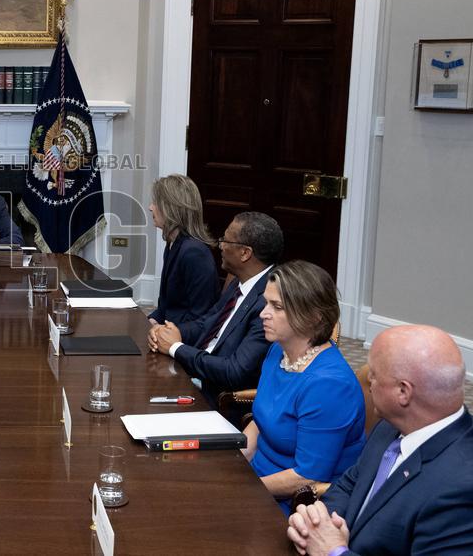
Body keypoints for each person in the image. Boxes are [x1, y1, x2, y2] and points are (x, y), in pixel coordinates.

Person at [288, 325, 473, 555]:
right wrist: (316, 524)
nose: (369, 383)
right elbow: (350, 484)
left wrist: (334, 552)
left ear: (403, 393)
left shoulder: (462, 488)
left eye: (374, 376)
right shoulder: (389, 426)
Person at [242, 260, 366, 514]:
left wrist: (241, 489)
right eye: (266, 303)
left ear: (313, 317)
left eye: (277, 307)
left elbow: (307, 477)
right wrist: (236, 458)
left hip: (295, 504)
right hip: (257, 478)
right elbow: (261, 420)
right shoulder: (278, 350)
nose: (263, 313)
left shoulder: (329, 385)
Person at [148, 211, 281, 401]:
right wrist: (167, 331)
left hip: (218, 399)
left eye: (225, 241)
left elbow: (234, 372)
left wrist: (176, 347)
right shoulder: (240, 283)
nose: (220, 246)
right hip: (196, 375)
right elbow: (205, 324)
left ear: (245, 253)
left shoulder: (269, 303)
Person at [146, 174, 218, 326]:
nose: (150, 207)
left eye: (155, 203)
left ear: (171, 209)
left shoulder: (194, 253)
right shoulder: (173, 244)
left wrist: (163, 332)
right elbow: (167, 305)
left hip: (183, 339)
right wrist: (150, 322)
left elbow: (200, 317)